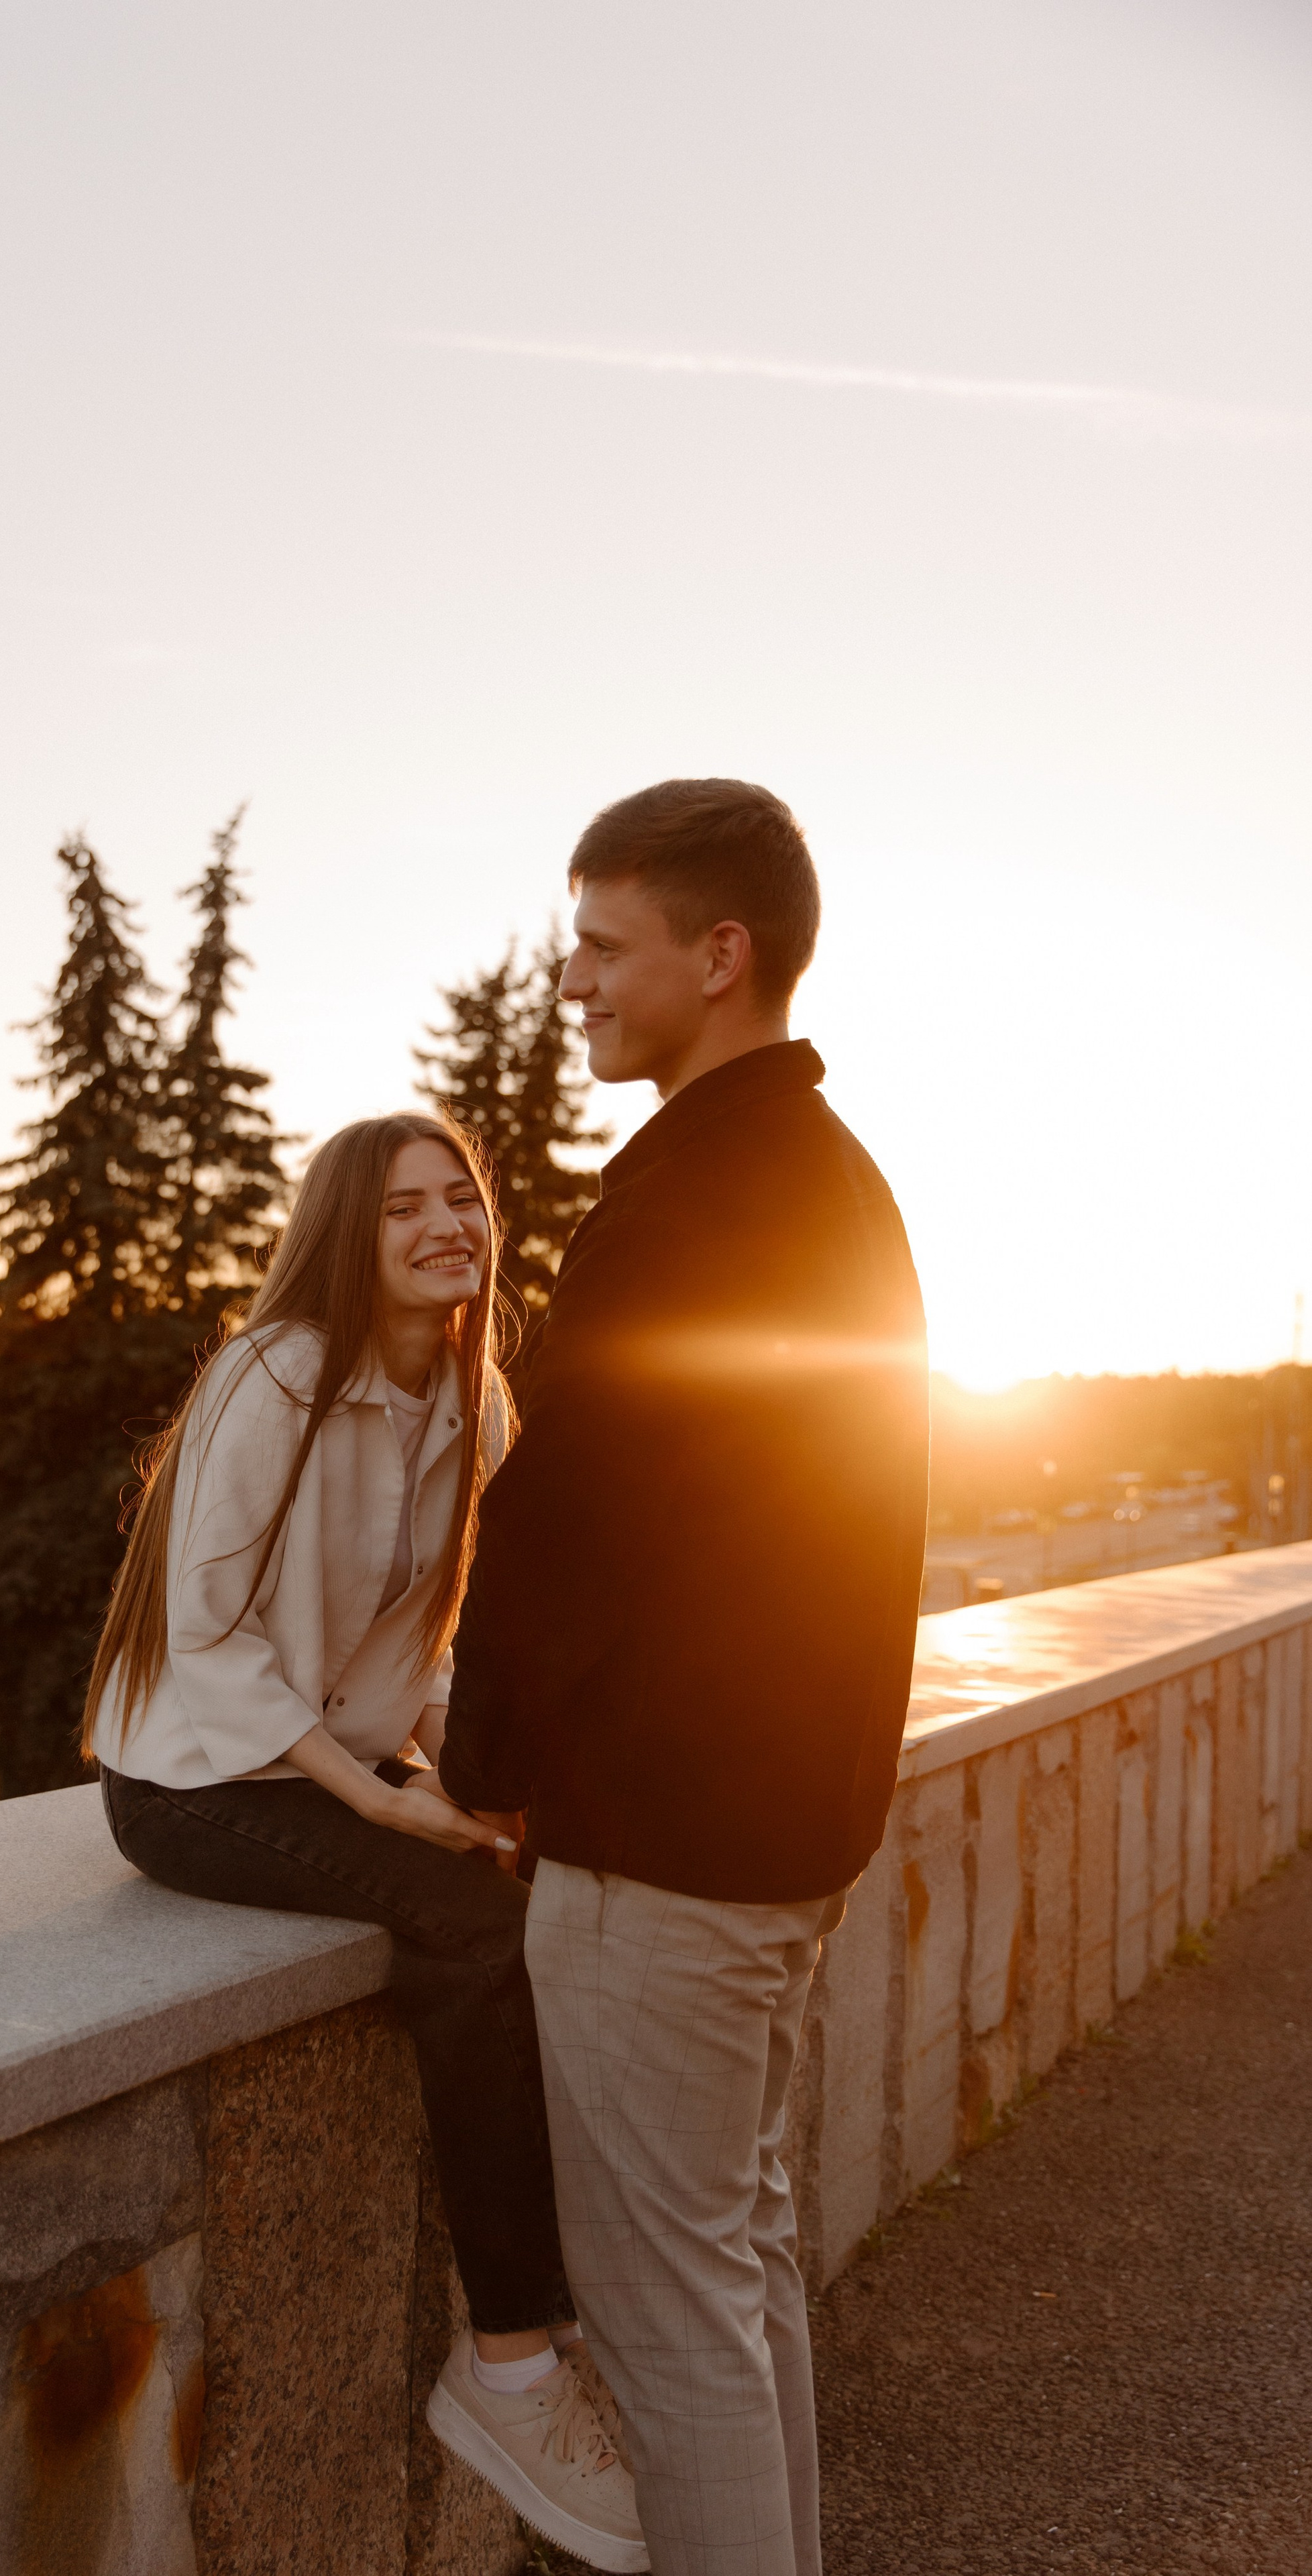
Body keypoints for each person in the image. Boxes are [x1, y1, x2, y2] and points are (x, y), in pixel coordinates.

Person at [433, 780, 930, 2576]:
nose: (571, 981)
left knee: (672, 2324)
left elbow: (567, 1514)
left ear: (720, 958)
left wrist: (479, 1760)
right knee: (740, 2273)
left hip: (669, 1856)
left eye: (601, 945)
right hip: (784, 1832)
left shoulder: (697, 1188)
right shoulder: (833, 1181)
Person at [85, 1110, 648, 2575]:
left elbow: (440, 1635)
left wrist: (473, 1781)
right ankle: (511, 2368)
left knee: (549, 1890)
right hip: (202, 1777)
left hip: (344, 1757)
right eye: (402, 1208)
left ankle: (582, 2309)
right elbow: (203, 1640)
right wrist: (378, 1798)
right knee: (471, 1929)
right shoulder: (273, 1376)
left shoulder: (477, 1395)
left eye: (458, 1196)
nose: (442, 1224)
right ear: (349, 1233)